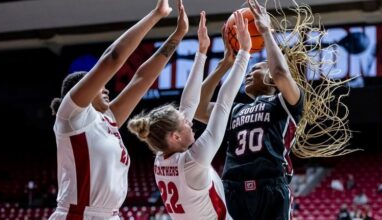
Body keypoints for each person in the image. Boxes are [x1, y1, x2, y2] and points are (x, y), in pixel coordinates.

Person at [194, 0, 354, 219]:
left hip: (270, 187)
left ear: (270, 77)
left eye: (256, 68)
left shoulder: (287, 102)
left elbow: (280, 72)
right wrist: (226, 63)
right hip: (233, 189)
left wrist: (267, 31)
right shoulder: (235, 110)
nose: (248, 74)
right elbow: (198, 108)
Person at [48, 0, 188, 219]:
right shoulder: (72, 116)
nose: (105, 87)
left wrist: (177, 36)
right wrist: (156, 15)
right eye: (97, 84)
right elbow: (112, 59)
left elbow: (143, 78)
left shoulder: (107, 120)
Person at [128, 10, 251, 220]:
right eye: (185, 122)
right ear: (175, 136)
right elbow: (223, 104)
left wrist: (202, 52)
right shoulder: (193, 161)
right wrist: (244, 53)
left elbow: (188, 103)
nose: (190, 121)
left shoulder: (163, 157)